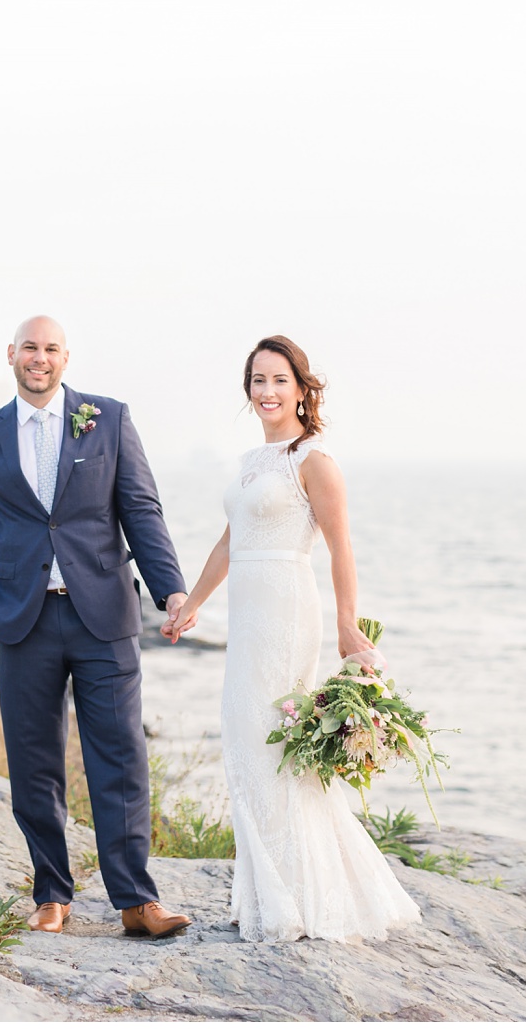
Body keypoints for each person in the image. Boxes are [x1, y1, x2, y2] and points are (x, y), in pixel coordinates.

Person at [161, 335, 422, 942]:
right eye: (257, 380)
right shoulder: (254, 461)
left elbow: (341, 545)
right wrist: (192, 605)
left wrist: (347, 622)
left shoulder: (315, 461)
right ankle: (265, 894)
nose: (267, 391)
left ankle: (301, 897)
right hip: (247, 611)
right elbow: (231, 542)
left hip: (285, 610)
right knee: (246, 740)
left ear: (302, 389)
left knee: (273, 745)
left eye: (279, 380)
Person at [0, 315, 194, 938]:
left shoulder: (107, 418)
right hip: (23, 620)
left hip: (103, 617)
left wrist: (170, 590)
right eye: (29, 348)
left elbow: (140, 509)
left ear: (66, 357)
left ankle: (136, 900)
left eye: (51, 349)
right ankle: (51, 893)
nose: (40, 358)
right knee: (34, 763)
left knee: (120, 757)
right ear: (11, 355)